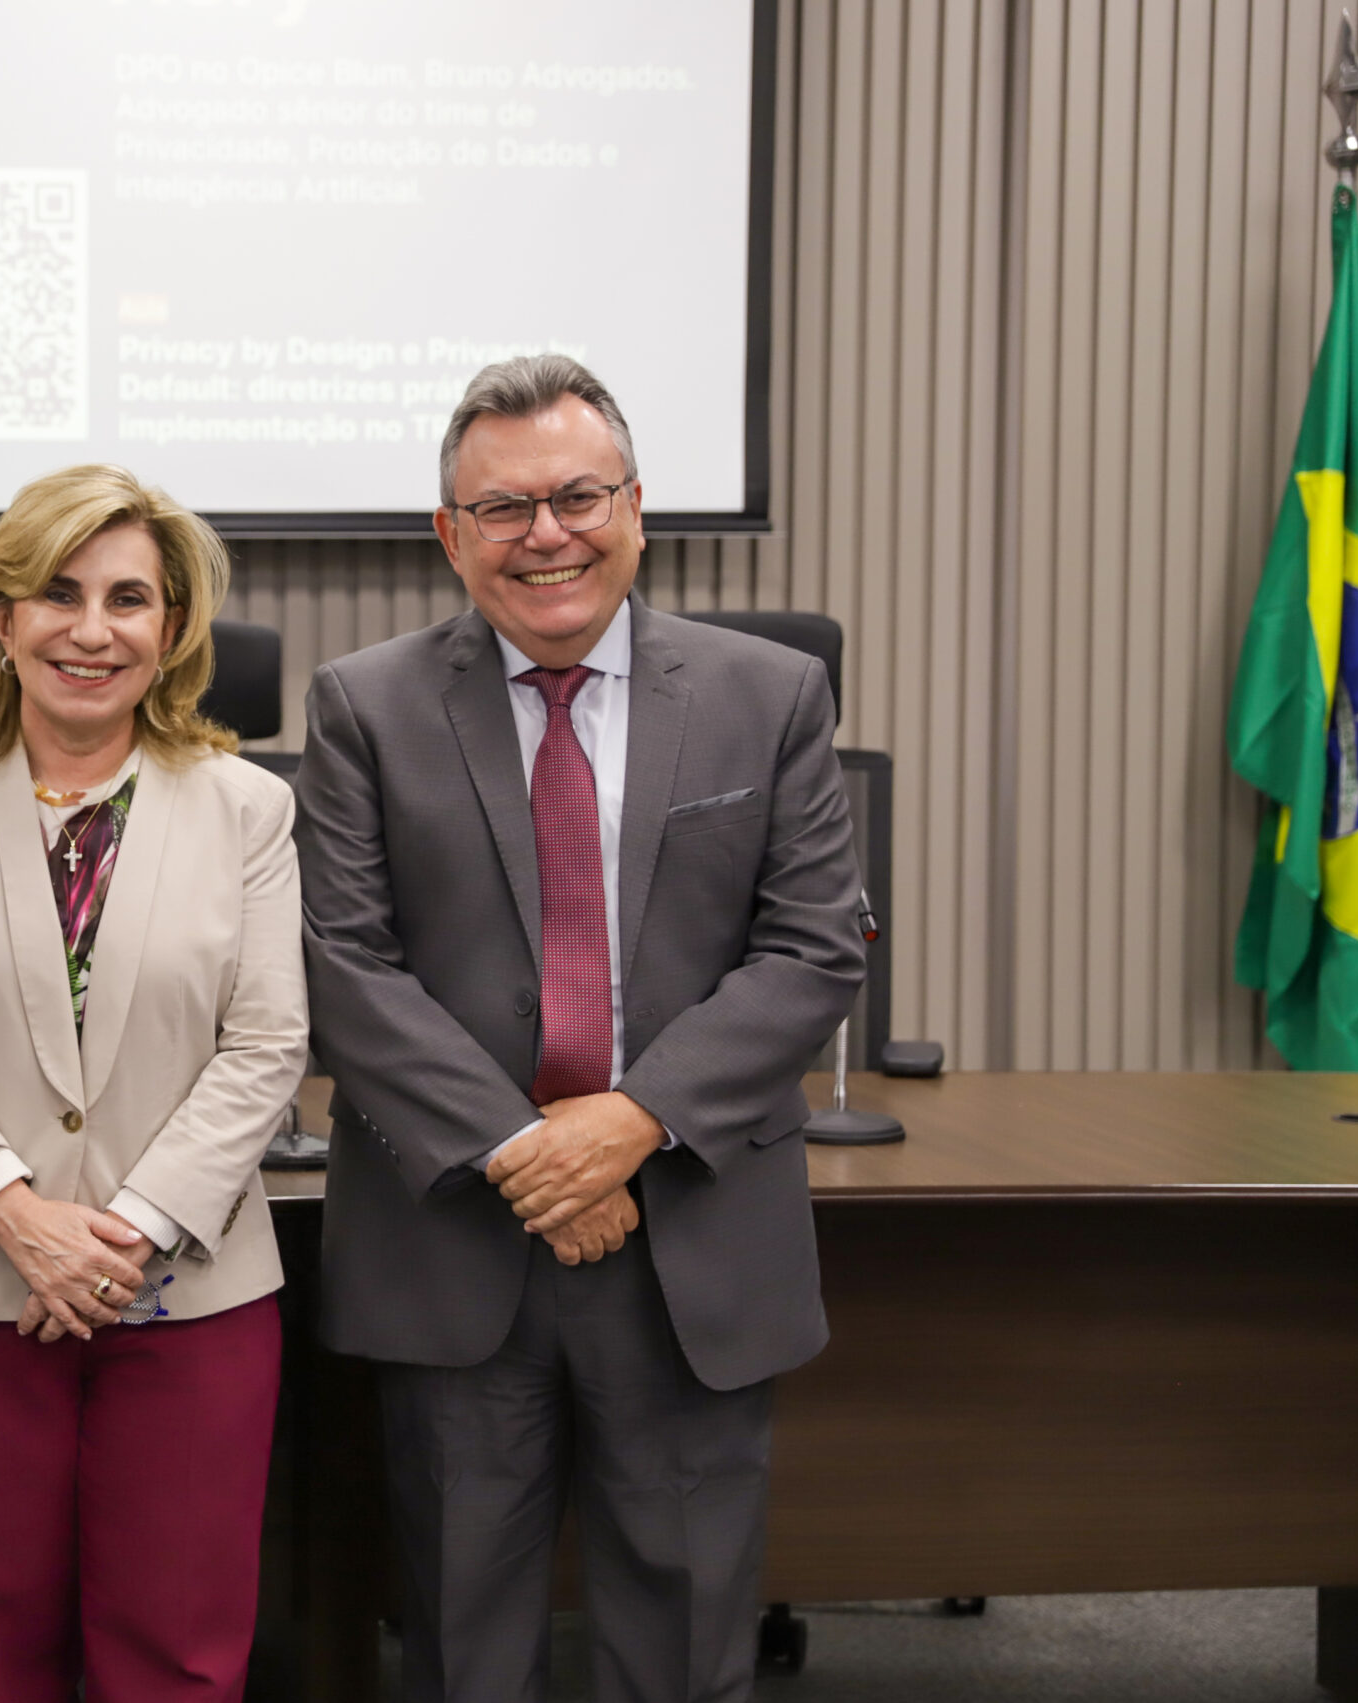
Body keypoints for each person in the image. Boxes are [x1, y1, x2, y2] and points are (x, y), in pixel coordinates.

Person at [294, 356, 866, 1703]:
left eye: (576, 495)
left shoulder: (767, 694)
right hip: (458, 1244)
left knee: (682, 1645)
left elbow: (813, 942)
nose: (544, 533)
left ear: (638, 507)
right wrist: (526, 1151)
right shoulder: (364, 707)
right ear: (450, 534)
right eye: (501, 508)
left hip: (690, 1231)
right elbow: (345, 965)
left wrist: (629, 1121)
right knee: (459, 1642)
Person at [0, 464, 307, 1702]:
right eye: (57, 593)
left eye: (127, 597)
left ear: (171, 631)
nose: (90, 628)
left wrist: (123, 1234)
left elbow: (266, 1044)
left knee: (182, 1646)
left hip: (190, 1296)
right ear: (3, 620)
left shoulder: (248, 807)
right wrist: (17, 1213)